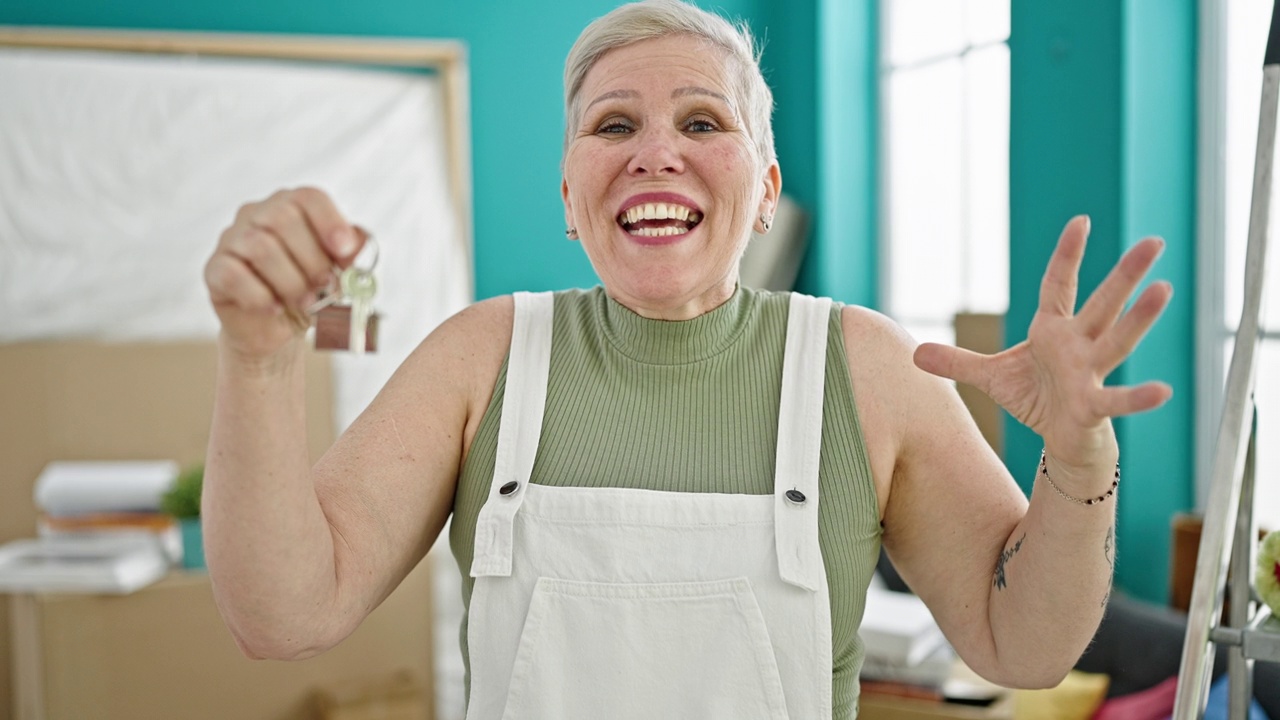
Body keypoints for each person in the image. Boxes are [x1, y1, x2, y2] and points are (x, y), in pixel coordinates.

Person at [200, 1, 1173, 718]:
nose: (653, 152)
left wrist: (1079, 457)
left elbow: (1026, 648)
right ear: (568, 195)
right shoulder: (480, 359)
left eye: (702, 123)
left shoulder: (863, 370)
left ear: (764, 192)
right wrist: (258, 362)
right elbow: (283, 616)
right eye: (612, 125)